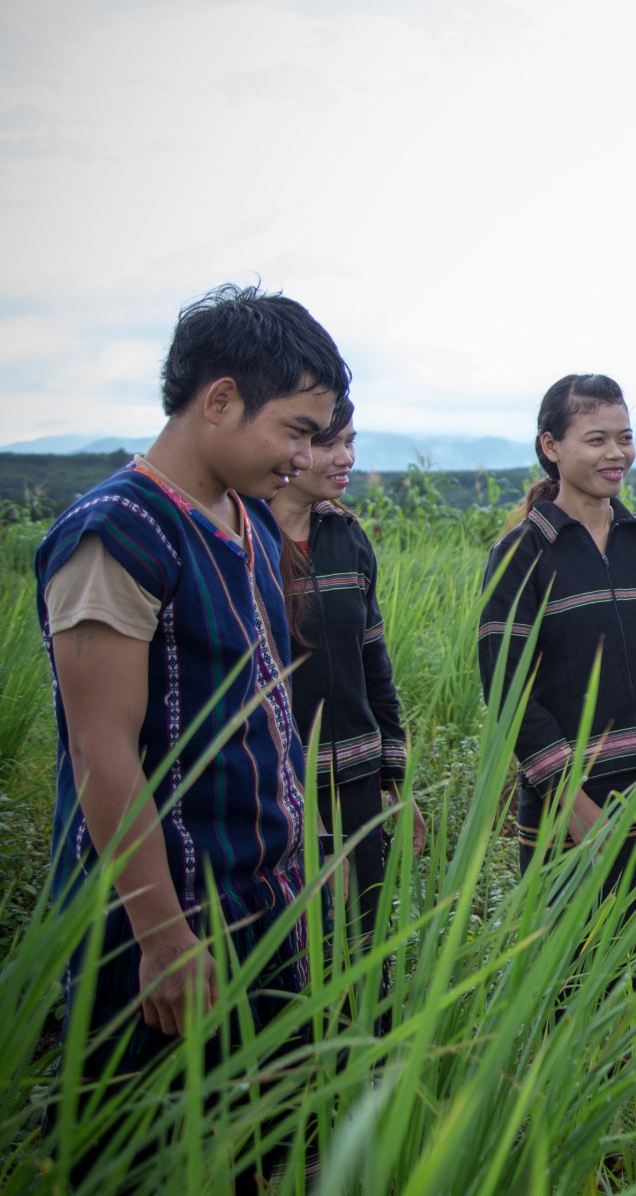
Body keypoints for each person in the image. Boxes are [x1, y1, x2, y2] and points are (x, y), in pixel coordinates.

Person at [36, 286, 348, 1141]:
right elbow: (103, 752)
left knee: (260, 1151)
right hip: (160, 930)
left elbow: (267, 724)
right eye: (294, 429)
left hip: (261, 905)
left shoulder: (245, 522)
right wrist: (164, 938)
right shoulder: (115, 536)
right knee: (155, 1155)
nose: (301, 456)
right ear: (220, 400)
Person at [476, 375, 636, 950]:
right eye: (596, 439)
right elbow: (508, 689)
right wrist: (570, 797)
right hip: (576, 802)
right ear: (551, 447)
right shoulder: (520, 554)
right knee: (575, 973)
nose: (616, 454)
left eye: (625, 437)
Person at [268, 398, 423, 958]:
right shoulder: (241, 536)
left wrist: (396, 780)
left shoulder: (347, 536)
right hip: (271, 788)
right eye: (331, 444)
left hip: (354, 784)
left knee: (362, 945)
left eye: (350, 442)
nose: (346, 458)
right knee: (292, 950)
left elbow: (373, 664)